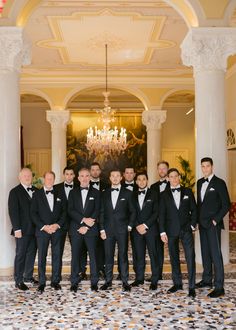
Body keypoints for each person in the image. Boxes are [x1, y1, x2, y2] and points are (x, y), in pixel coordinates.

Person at [195, 157, 231, 298]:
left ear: (212, 167)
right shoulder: (199, 183)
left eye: (207, 166)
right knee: (205, 253)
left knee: (216, 255)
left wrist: (216, 220)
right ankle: (206, 280)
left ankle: (219, 286)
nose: (205, 169)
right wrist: (197, 221)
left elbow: (226, 204)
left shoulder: (219, 183)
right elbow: (200, 205)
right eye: (203, 166)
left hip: (213, 224)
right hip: (202, 224)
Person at [159, 168, 197, 298]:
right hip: (171, 231)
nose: (174, 179)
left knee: (190, 257)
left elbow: (194, 210)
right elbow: (162, 215)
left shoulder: (187, 191)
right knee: (174, 258)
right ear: (168, 178)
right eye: (171, 176)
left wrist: (192, 225)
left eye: (176, 176)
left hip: (186, 230)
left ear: (179, 177)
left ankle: (192, 287)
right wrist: (162, 232)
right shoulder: (164, 194)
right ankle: (177, 283)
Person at [99, 169, 136, 292]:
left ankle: (125, 281)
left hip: (122, 230)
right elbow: (101, 213)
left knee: (123, 255)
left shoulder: (128, 193)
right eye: (112, 176)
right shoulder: (104, 193)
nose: (115, 178)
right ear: (110, 178)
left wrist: (130, 226)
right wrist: (102, 229)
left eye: (117, 176)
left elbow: (132, 212)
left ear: (121, 178)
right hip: (108, 230)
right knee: (108, 256)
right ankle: (108, 281)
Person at [31, 171, 66, 293]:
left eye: (52, 179)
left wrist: (57, 225)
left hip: (57, 230)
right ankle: (41, 282)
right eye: (48, 179)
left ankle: (55, 281)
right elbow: (33, 213)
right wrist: (44, 227)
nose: (50, 181)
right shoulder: (37, 194)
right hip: (42, 231)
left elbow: (64, 212)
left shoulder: (60, 193)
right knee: (42, 257)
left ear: (54, 180)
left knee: (57, 256)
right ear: (44, 180)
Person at [68, 168, 100, 292]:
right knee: (75, 256)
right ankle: (74, 282)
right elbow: (70, 210)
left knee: (93, 256)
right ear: (78, 178)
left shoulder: (96, 193)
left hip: (91, 229)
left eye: (87, 176)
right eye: (82, 176)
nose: (85, 178)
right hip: (76, 229)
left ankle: (94, 282)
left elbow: (97, 210)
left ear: (90, 177)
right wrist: (82, 221)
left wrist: (87, 225)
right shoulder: (72, 192)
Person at [8, 167, 38, 291]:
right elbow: (13, 212)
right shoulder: (14, 192)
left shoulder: (37, 191)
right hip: (22, 230)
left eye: (29, 175)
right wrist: (17, 229)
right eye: (25, 175)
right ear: (19, 177)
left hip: (35, 230)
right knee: (20, 254)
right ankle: (18, 279)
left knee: (32, 253)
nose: (27, 177)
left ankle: (28, 276)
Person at [131, 172, 159, 290]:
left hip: (151, 229)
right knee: (138, 254)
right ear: (136, 181)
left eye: (144, 179)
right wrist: (138, 225)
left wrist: (146, 225)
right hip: (137, 230)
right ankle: (139, 278)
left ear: (147, 181)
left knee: (153, 254)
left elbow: (156, 212)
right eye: (139, 179)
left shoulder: (154, 194)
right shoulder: (132, 195)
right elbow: (131, 212)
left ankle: (154, 279)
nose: (141, 181)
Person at [54, 167, 76, 280]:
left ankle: (79, 274)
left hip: (75, 223)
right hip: (59, 224)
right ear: (63, 175)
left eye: (71, 174)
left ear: (74, 175)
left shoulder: (78, 187)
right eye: (67, 174)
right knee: (58, 251)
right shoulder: (55, 188)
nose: (68, 176)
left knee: (78, 250)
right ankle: (56, 277)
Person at [150, 161, 170, 280]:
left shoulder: (173, 184)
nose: (162, 171)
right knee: (157, 249)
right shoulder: (153, 187)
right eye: (160, 169)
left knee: (173, 249)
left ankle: (175, 276)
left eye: (164, 169)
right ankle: (157, 274)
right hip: (156, 223)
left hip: (170, 222)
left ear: (167, 170)